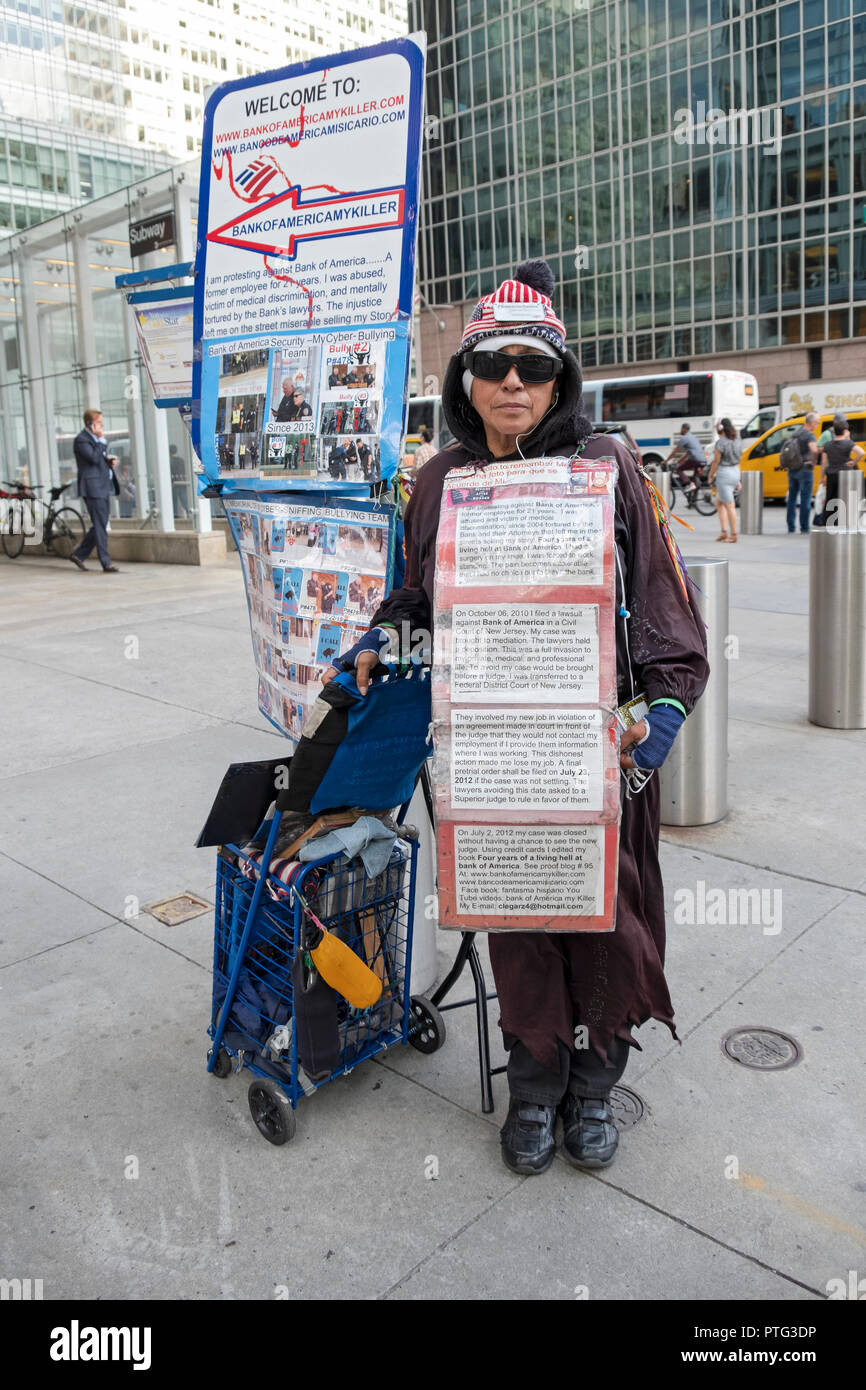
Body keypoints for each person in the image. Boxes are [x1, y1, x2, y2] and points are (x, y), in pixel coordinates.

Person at [320, 260, 709, 1175]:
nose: (512, 384)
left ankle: (594, 1085)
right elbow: (416, 599)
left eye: (533, 369)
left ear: (560, 379)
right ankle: (535, 1085)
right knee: (516, 923)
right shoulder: (440, 480)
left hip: (597, 746)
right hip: (492, 747)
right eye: (492, 365)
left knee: (606, 919)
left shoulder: (607, 466)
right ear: (465, 378)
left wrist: (660, 710)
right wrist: (379, 643)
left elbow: (661, 602)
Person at [69, 408, 120, 572]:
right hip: (92, 488)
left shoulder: (96, 441)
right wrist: (101, 442)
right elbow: (91, 458)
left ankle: (79, 554)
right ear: (90, 425)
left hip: (103, 486)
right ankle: (106, 562)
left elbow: (98, 459)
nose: (102, 426)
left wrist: (108, 462)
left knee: (101, 523)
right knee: (100, 525)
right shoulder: (81, 440)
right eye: (99, 423)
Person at [815, 415, 865, 527]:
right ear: (844, 431)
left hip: (831, 474)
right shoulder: (848, 443)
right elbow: (861, 453)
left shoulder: (827, 445)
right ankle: (844, 521)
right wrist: (854, 462)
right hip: (845, 475)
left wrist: (821, 478)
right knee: (844, 498)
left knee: (830, 498)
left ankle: (828, 522)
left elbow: (823, 463)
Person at [707, 417, 742, 543]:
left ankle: (733, 535)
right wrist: (737, 480)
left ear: (720, 428)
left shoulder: (720, 443)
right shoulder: (737, 440)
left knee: (729, 505)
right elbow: (739, 459)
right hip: (735, 471)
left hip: (724, 473)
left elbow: (716, 461)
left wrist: (710, 475)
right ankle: (723, 531)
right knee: (719, 502)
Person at [784, 411, 819, 534]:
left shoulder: (795, 433)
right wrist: (814, 461)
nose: (817, 425)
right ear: (812, 423)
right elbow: (814, 450)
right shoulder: (810, 435)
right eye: (817, 423)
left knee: (792, 498)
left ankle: (791, 526)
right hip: (805, 469)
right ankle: (804, 527)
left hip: (793, 469)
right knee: (805, 499)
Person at [664, 423, 706, 494]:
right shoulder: (693, 437)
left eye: (681, 428)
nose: (680, 430)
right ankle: (693, 502)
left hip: (695, 460)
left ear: (684, 429)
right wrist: (679, 461)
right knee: (695, 479)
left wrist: (666, 461)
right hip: (703, 460)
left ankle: (689, 484)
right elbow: (688, 454)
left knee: (678, 469)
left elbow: (675, 451)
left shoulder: (685, 438)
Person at [169, 444, 191, 520]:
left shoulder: (169, 461)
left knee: (174, 501)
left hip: (174, 483)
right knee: (183, 499)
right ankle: (189, 513)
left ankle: (175, 516)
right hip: (182, 482)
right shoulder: (181, 460)